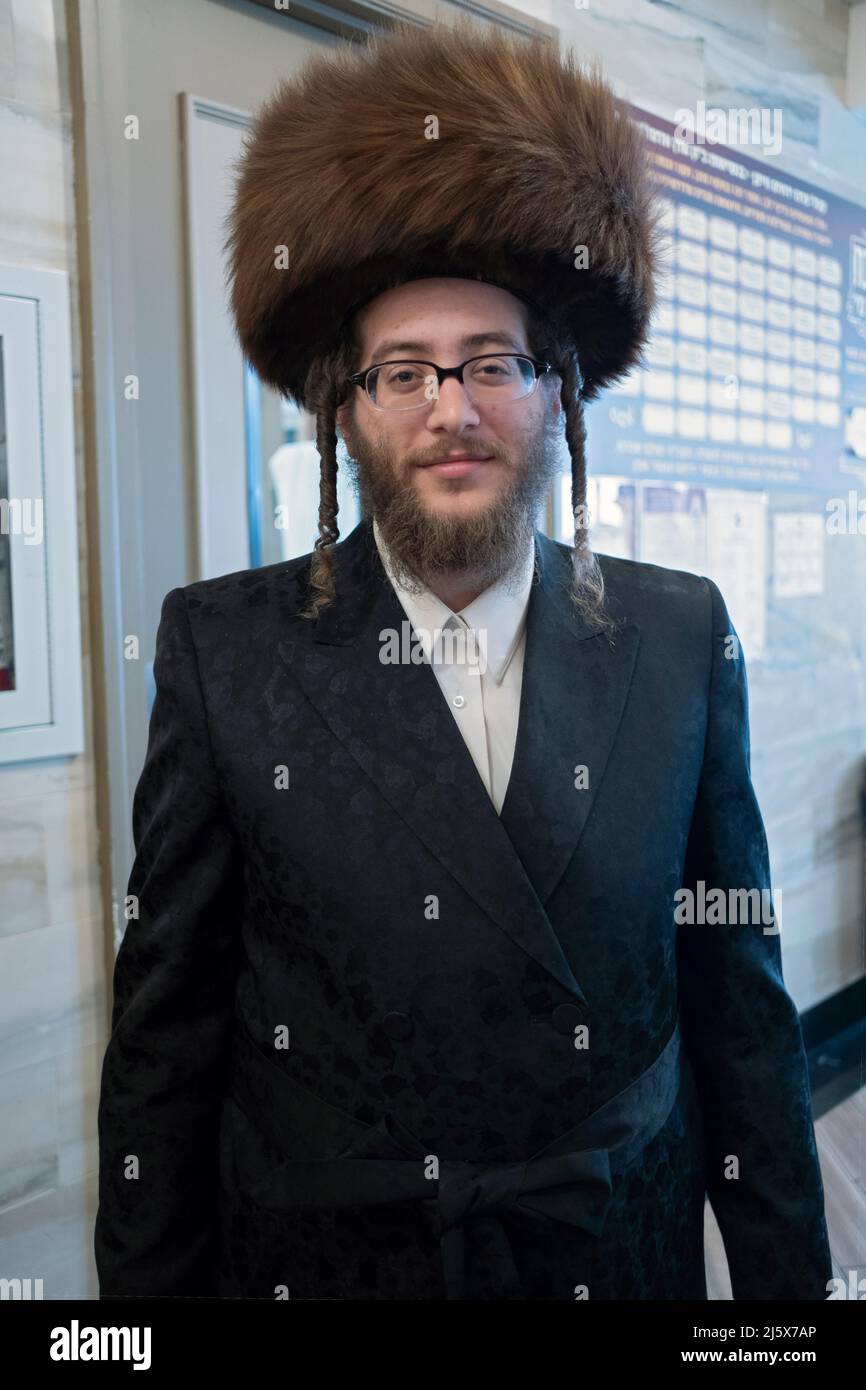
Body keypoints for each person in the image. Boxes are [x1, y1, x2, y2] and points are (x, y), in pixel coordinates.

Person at [94, 18, 832, 1300]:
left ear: (559, 393)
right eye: (404, 371)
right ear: (349, 409)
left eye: (494, 362)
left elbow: (739, 1012)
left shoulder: (674, 636)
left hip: (611, 1250)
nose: (452, 405)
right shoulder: (226, 652)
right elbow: (165, 1047)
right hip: (332, 1268)